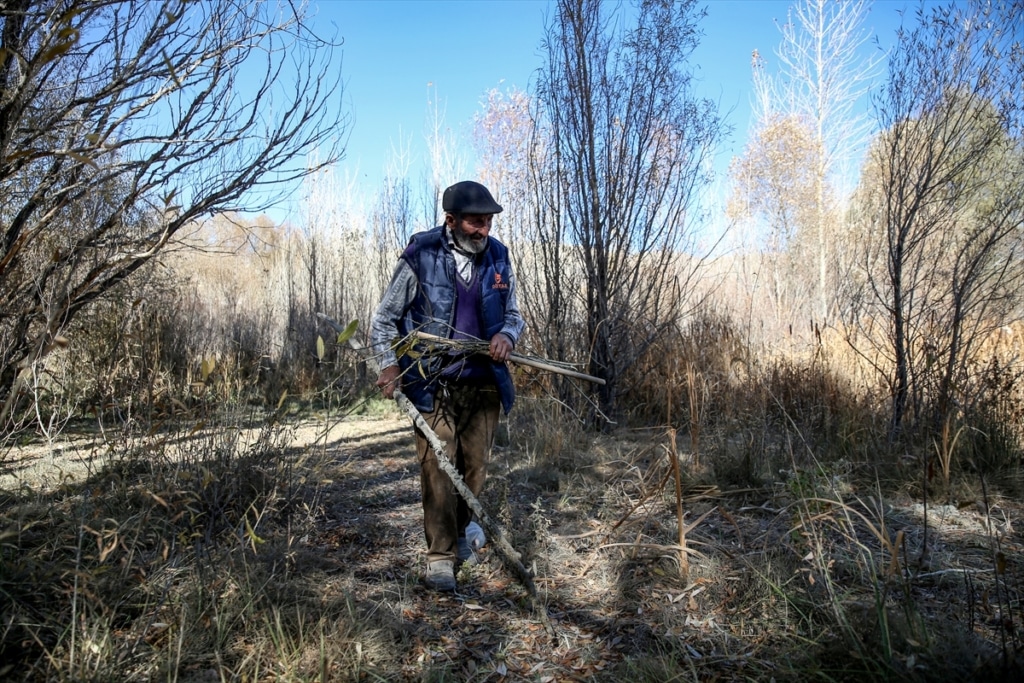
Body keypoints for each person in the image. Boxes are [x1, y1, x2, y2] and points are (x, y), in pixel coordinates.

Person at [370, 180, 526, 592]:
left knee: (474, 470)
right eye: (476, 222)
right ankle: (440, 556)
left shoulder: (498, 257)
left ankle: (460, 534)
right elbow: (383, 320)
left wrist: (507, 336)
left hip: (484, 383)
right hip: (431, 382)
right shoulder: (420, 254)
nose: (484, 230)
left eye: (488, 221)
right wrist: (389, 366)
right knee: (439, 466)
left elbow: (514, 314)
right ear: (451, 220)